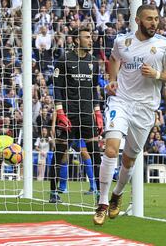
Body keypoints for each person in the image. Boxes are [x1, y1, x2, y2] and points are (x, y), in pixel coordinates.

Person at [93, 4, 166, 225]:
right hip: (120, 101)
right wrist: (112, 80)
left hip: (145, 108)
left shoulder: (164, 45)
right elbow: (113, 59)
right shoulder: (122, 41)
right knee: (111, 149)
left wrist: (158, 74)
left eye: (156, 19)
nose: (154, 23)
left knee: (129, 159)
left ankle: (117, 194)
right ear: (138, 20)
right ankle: (102, 202)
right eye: (149, 19)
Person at [50, 27, 103, 203]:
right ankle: (54, 193)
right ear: (76, 40)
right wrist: (59, 112)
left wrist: (98, 113)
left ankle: (99, 195)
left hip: (87, 115)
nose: (91, 40)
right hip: (69, 116)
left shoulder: (94, 62)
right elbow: (57, 88)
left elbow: (94, 89)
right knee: (59, 153)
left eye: (91, 37)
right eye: (87, 37)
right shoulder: (64, 60)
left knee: (95, 154)